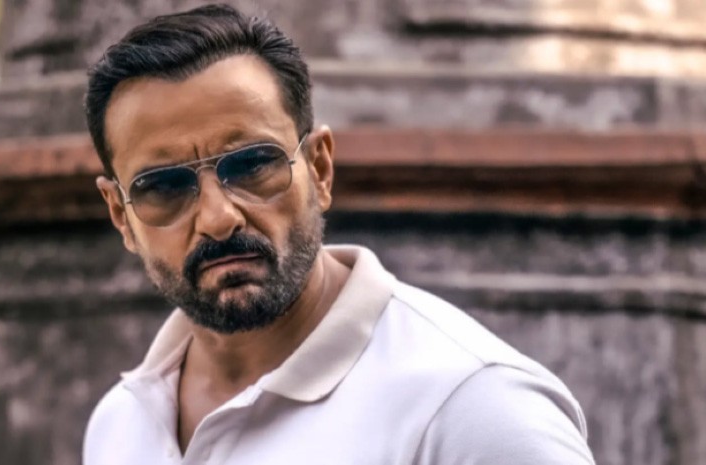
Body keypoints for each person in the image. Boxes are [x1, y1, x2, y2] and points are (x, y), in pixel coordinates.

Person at [82, 4, 595, 464]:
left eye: (253, 164)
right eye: (164, 186)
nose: (219, 218)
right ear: (121, 216)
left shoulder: (472, 408)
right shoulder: (122, 424)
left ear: (320, 169)